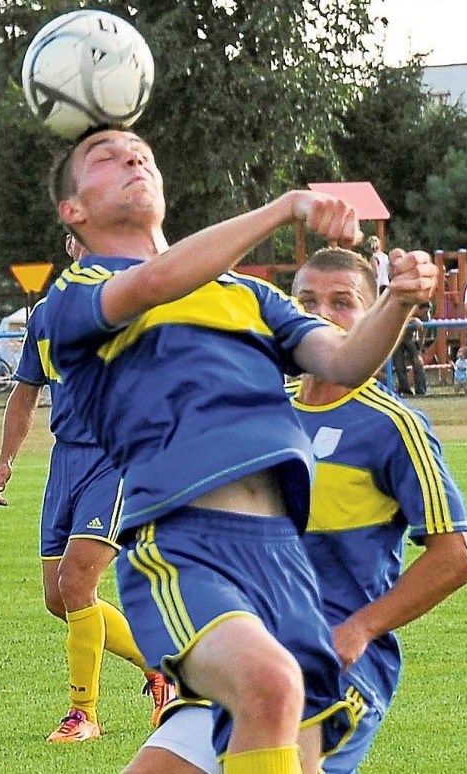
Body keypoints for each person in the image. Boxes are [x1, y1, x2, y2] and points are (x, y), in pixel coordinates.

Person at [43, 126, 437, 773]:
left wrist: (396, 301)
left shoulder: (246, 296)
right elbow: (154, 282)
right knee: (272, 682)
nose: (132, 156)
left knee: (295, 733)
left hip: (286, 560)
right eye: (104, 156)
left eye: (140, 149)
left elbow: (343, 358)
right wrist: (287, 206)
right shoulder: (76, 294)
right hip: (185, 547)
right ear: (73, 211)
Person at [126, 248, 467, 774]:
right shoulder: (263, 406)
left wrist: (359, 630)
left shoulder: (392, 426)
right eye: (307, 299)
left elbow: (457, 557)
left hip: (332, 664)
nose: (321, 312)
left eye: (343, 302)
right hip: (247, 651)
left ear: (372, 312)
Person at [0, 237, 174, 744]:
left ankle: (82, 714)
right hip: (64, 461)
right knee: (59, 599)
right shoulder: (46, 314)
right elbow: (26, 393)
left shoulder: (133, 307)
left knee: (76, 585)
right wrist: (5, 459)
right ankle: (163, 670)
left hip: (115, 460)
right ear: (71, 244)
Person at [390, 303, 428, 396]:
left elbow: (424, 328)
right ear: (418, 309)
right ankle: (405, 390)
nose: (426, 314)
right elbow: (399, 318)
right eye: (425, 311)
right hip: (397, 339)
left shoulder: (426, 315)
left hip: (410, 338)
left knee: (418, 363)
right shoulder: (407, 308)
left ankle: (421, 391)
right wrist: (413, 319)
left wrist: (421, 342)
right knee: (399, 365)